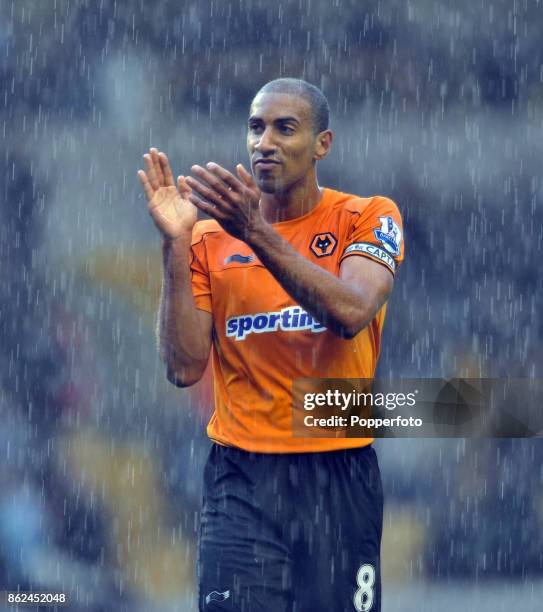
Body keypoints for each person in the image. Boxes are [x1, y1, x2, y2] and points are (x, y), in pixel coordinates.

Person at [138, 78, 405, 612]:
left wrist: (255, 232)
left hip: (338, 471)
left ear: (321, 144)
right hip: (242, 477)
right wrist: (175, 245)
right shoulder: (208, 241)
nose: (266, 142)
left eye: (286, 128)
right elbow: (184, 368)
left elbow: (351, 312)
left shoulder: (368, 215)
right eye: (256, 127)